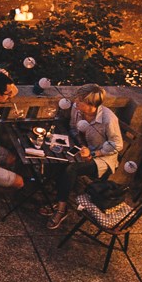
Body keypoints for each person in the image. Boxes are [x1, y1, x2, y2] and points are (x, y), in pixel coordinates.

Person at [44, 85, 124, 229]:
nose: (75, 102)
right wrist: (81, 146)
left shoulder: (108, 119)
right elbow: (73, 128)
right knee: (57, 158)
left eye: (80, 100)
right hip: (82, 150)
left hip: (102, 159)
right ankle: (59, 197)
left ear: (91, 105)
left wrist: (94, 154)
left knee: (70, 168)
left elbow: (117, 145)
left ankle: (61, 210)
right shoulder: (77, 109)